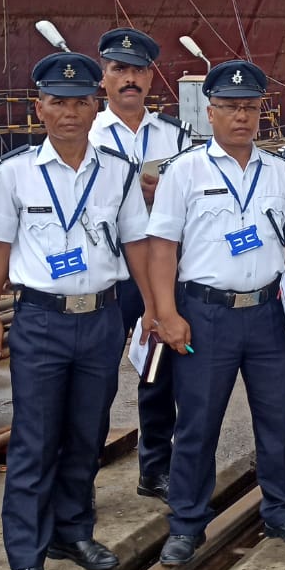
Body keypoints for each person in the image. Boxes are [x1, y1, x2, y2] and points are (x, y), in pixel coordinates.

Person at [0, 54, 152, 570]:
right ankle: (25, 557)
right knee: (33, 440)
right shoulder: (15, 173)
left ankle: (73, 533)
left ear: (93, 106)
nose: (69, 112)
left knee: (86, 432)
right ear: (39, 108)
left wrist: (155, 308)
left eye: (79, 102)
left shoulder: (118, 172)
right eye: (57, 102)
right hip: (41, 320)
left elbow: (139, 246)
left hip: (100, 319)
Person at [145, 60, 285, 563]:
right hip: (206, 315)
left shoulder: (280, 172)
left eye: (249, 108)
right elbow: (162, 248)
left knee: (275, 418)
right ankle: (186, 522)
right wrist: (165, 313)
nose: (241, 117)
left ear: (261, 112)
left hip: (268, 314)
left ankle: (284, 509)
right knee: (198, 424)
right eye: (229, 108)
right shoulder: (184, 171)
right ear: (211, 111)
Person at [89, 28, 192, 502]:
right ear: (103, 79)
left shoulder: (177, 136)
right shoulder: (84, 134)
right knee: (96, 378)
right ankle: (80, 480)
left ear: (151, 77)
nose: (129, 80)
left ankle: (155, 467)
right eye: (119, 71)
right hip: (106, 272)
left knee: (160, 372)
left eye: (137, 71)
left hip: (162, 267)